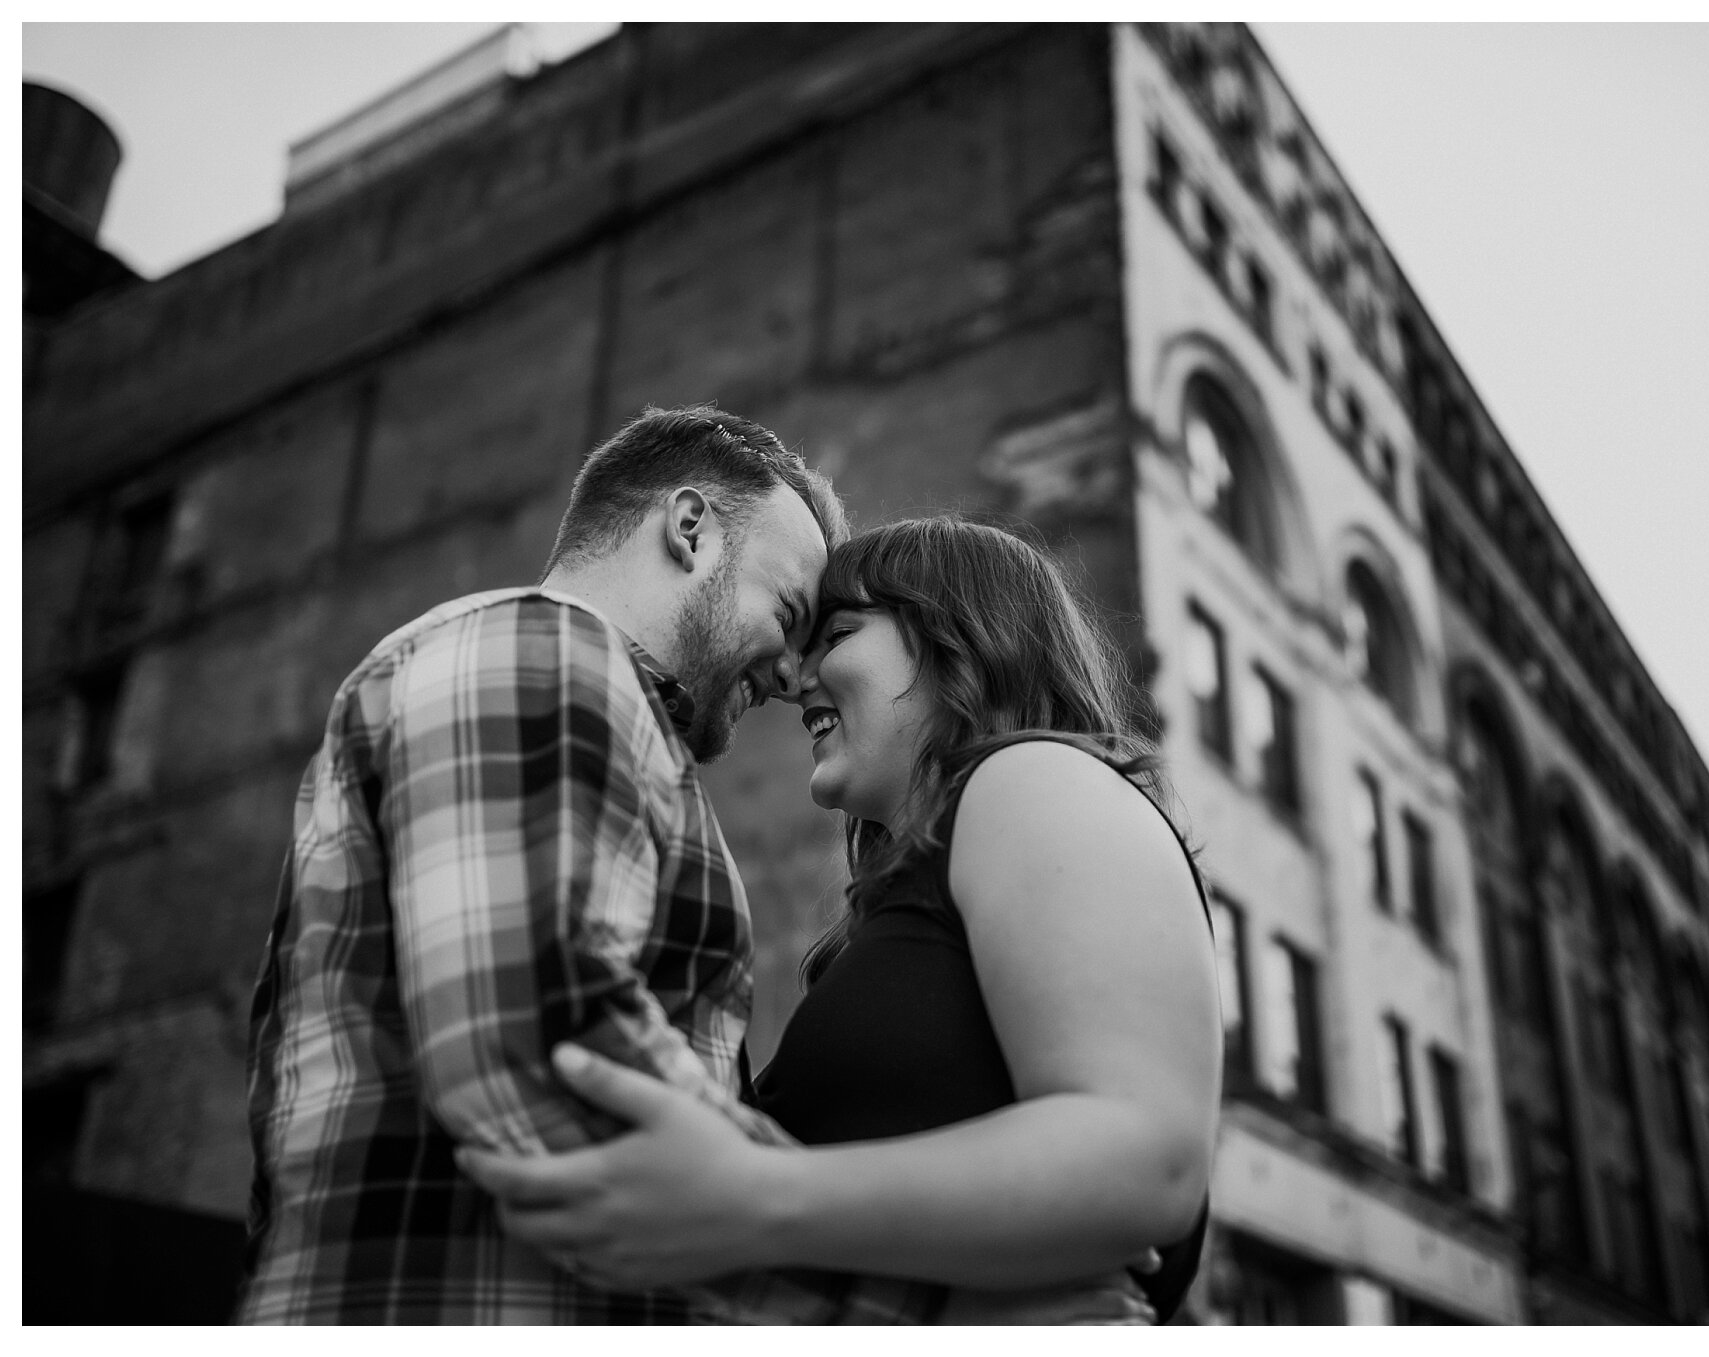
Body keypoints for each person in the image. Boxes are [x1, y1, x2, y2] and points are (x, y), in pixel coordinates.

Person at [239, 406, 1137, 1323]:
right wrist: (943, 1312)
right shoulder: (540, 652)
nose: (793, 678)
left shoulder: (593, 711)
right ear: (690, 529)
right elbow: (548, 1063)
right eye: (793, 616)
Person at [459, 516, 1225, 1321]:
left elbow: (1146, 1163)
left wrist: (750, 1192)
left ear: (957, 636)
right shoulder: (909, 901)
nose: (796, 677)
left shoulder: (1036, 778)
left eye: (838, 635)